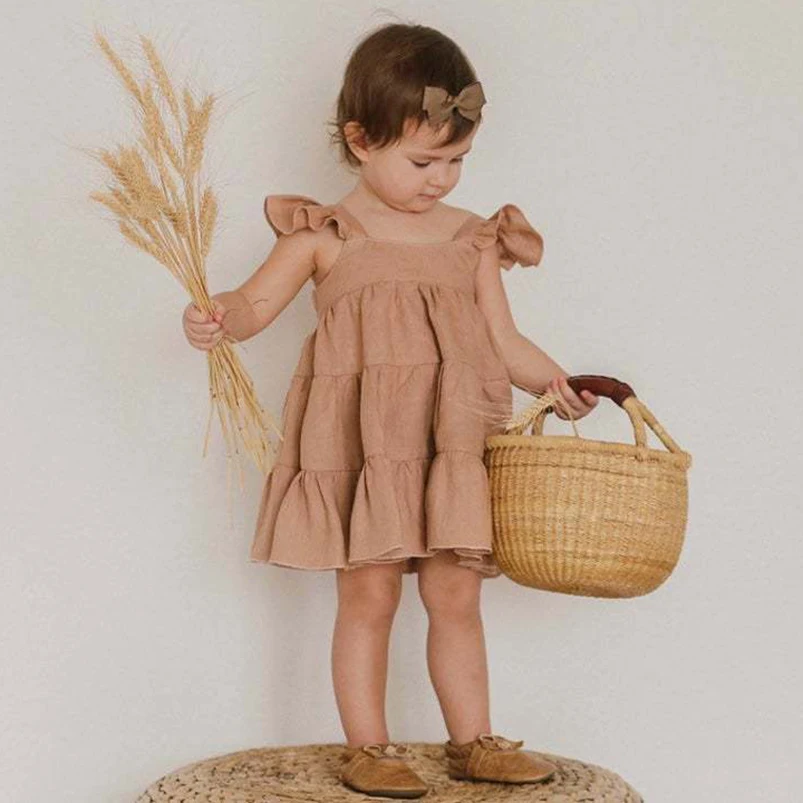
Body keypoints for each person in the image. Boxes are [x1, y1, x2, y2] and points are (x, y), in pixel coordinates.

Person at [182, 21, 598, 799]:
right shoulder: (326, 234)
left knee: (455, 594)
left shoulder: (470, 239)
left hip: (450, 443)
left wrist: (556, 385)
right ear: (360, 140)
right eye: (422, 161)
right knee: (368, 594)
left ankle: (475, 739)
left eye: (456, 160)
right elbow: (254, 304)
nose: (441, 179)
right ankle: (368, 747)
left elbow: (502, 339)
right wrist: (215, 319)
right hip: (366, 446)